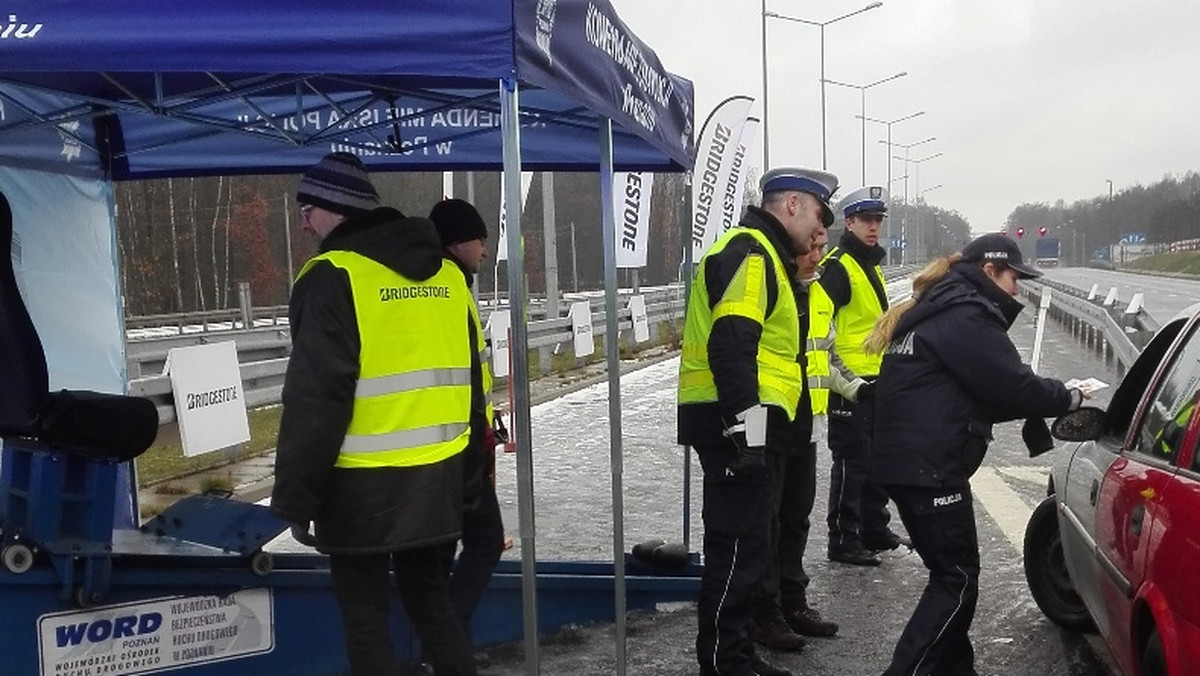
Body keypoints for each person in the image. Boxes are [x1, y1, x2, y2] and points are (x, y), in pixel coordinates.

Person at [270, 152, 479, 676]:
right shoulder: (449, 276)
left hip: (362, 489)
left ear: (337, 207)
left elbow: (317, 400)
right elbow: (473, 386)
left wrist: (296, 499)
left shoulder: (331, 275)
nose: (302, 221)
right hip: (438, 479)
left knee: (365, 620)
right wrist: (470, 481)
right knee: (432, 603)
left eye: (308, 207)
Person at [864, 233, 1085, 676]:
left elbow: (976, 393)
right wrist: (1069, 398)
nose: (1018, 289)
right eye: (1013, 278)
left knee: (952, 575)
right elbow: (1011, 384)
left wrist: (1037, 402)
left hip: (907, 462)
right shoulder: (966, 314)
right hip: (930, 469)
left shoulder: (939, 307)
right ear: (989, 271)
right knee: (957, 578)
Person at [678, 166, 837, 676]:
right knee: (736, 549)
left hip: (748, 422)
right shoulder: (752, 252)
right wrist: (745, 431)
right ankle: (726, 663)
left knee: (751, 545)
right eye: (815, 214)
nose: (818, 231)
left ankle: (736, 654)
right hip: (735, 423)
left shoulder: (769, 256)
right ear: (790, 204)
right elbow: (732, 346)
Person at [749, 223, 846, 653]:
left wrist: (859, 388)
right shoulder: (773, 288)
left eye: (822, 247)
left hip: (806, 424)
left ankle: (793, 602)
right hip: (768, 423)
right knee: (765, 523)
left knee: (796, 520)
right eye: (811, 247)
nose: (817, 256)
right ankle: (764, 613)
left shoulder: (818, 293)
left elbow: (828, 355)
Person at [427, 198, 506, 652]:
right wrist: (480, 440)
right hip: (457, 446)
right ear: (458, 241)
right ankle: (447, 644)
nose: (484, 249)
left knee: (438, 553)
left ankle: (443, 643)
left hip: (437, 444)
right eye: (480, 239)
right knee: (485, 541)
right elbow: (465, 376)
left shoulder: (440, 282)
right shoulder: (450, 287)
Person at [818, 186, 899, 567]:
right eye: (866, 220)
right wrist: (847, 383)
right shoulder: (838, 267)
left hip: (877, 379)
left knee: (877, 461)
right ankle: (844, 539)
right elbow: (821, 333)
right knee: (852, 464)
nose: (874, 227)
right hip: (850, 386)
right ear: (848, 223)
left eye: (878, 221)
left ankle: (873, 529)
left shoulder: (870, 265)